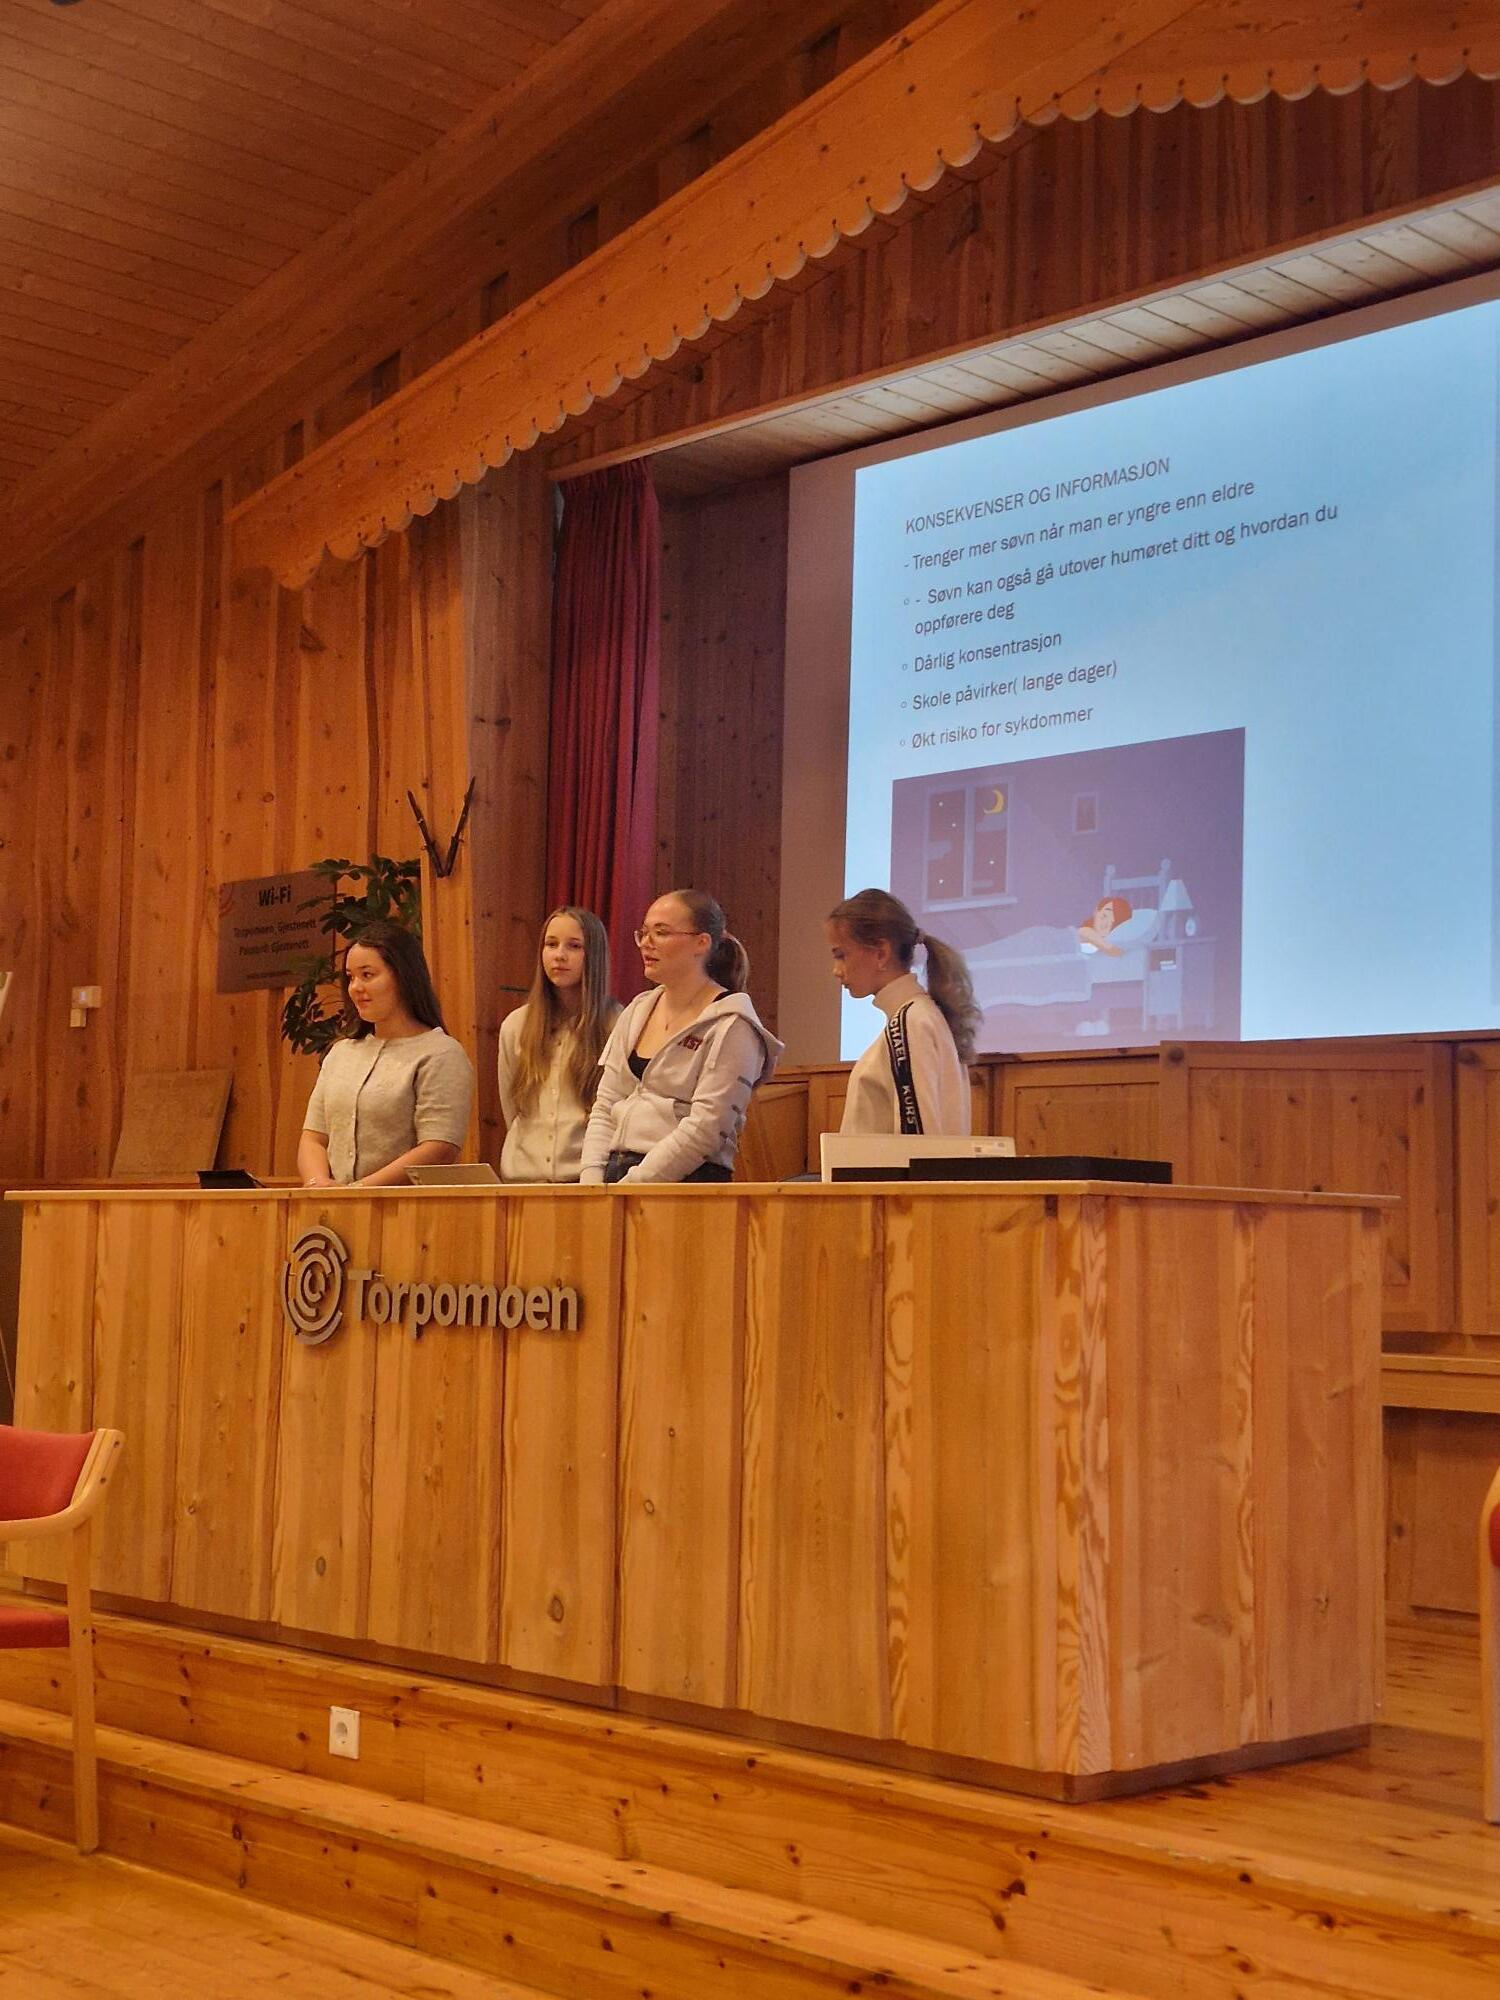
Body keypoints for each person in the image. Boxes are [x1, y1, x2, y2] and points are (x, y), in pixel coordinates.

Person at [580, 890, 781, 1184]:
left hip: (687, 1182)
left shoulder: (733, 1025)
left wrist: (632, 1188)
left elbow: (705, 1129)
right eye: (643, 933)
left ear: (702, 942)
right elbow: (606, 1104)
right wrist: (591, 1181)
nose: (646, 943)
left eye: (661, 933)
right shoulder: (637, 1010)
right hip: (617, 1174)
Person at [298, 920, 475, 1187]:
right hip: (334, 1205)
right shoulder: (340, 1053)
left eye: (367, 975)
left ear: (403, 977)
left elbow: (438, 1148)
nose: (355, 987)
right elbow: (314, 1138)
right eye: (350, 977)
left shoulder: (441, 1054)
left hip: (404, 1207)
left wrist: (359, 1191)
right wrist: (318, 1183)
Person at [827, 888, 978, 1136]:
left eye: (841, 955)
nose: (836, 970)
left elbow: (915, 1141)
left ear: (881, 953)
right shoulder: (922, 1016)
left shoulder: (911, 1021)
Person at [497, 906, 619, 1182]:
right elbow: (511, 1108)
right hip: (524, 1181)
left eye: (574, 946)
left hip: (586, 1180)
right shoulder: (516, 1025)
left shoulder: (617, 1024)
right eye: (551, 944)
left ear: (594, 955)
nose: (559, 955)